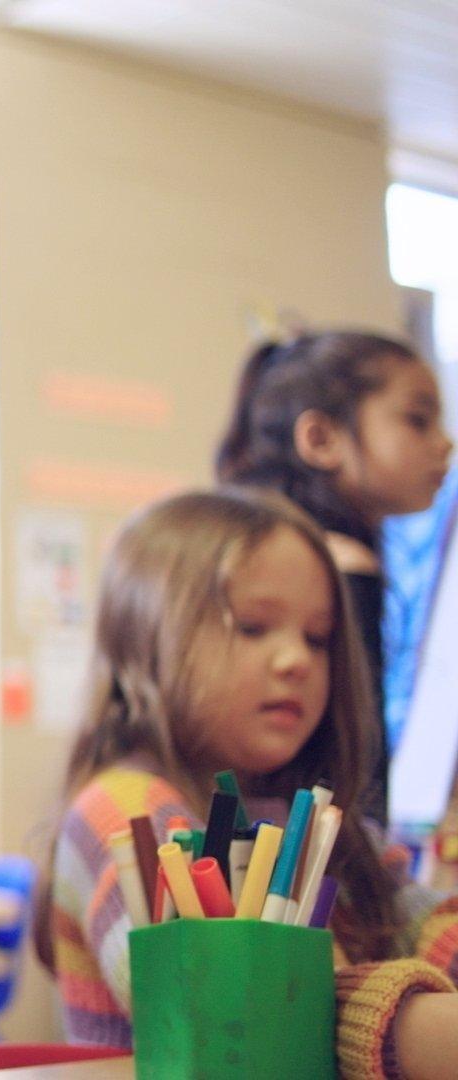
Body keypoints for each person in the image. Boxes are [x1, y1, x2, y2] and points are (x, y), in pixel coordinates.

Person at [33, 488, 458, 1079]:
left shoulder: (305, 818)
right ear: (144, 641)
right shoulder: (119, 810)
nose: (296, 660)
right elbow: (223, 1007)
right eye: (254, 626)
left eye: (317, 637)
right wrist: (428, 1031)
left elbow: (417, 917)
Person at [215, 330, 453, 825]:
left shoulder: (243, 544)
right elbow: (359, 768)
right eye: (417, 419)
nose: (445, 442)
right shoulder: (342, 565)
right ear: (321, 440)